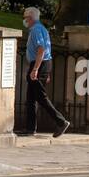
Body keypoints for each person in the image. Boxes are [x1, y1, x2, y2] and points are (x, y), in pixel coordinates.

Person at [20, 8, 70, 137]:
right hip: (44, 64)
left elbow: (41, 49)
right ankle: (30, 128)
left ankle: (61, 121)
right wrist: (46, 71)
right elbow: (47, 50)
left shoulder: (36, 30)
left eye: (25, 17)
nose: (24, 20)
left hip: (39, 64)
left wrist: (36, 69)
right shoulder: (42, 28)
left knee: (40, 97)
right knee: (31, 98)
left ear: (30, 18)